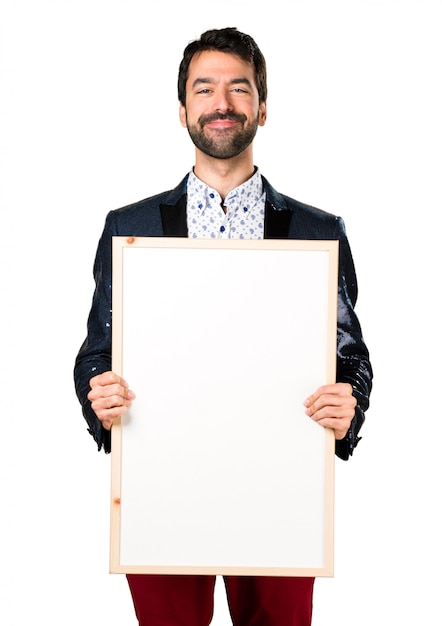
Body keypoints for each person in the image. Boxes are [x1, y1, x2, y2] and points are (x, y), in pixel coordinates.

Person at [74, 26, 373, 626]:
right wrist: (96, 393)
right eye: (204, 88)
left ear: (263, 106)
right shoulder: (130, 227)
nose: (222, 103)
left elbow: (350, 355)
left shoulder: (318, 231)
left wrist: (351, 402)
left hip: (282, 490)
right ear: (182, 108)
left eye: (240, 88)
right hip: (163, 483)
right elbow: (96, 351)